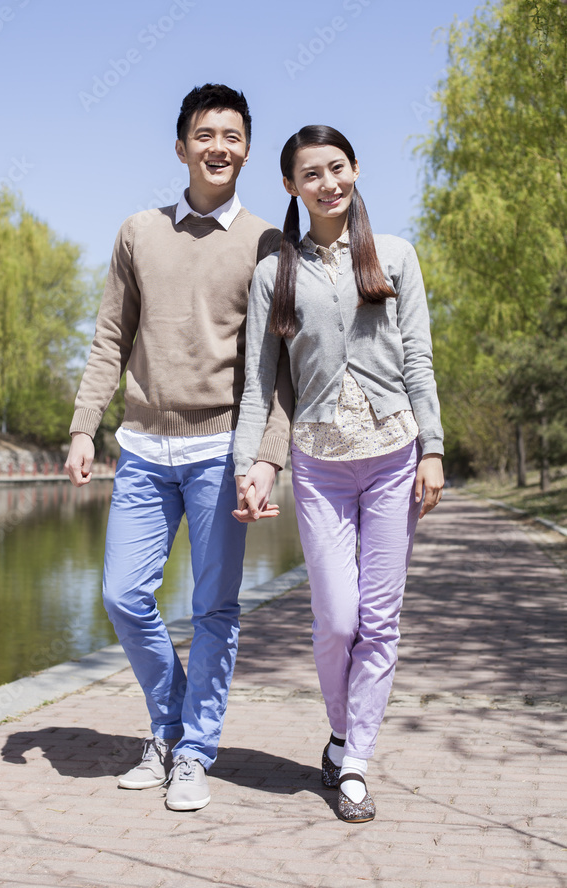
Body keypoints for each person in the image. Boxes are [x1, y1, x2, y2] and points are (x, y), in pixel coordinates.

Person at [64, 84, 292, 811]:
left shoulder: (267, 243)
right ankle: (170, 725)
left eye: (231, 135)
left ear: (246, 148)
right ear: (180, 146)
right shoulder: (138, 231)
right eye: (204, 134)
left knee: (215, 609)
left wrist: (268, 455)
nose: (217, 147)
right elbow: (109, 338)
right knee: (122, 594)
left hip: (221, 450)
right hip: (142, 446)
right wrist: (81, 426)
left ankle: (191, 750)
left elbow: (280, 369)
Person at [233, 125, 444, 823]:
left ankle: (354, 761)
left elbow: (417, 359)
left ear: (354, 169)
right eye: (310, 175)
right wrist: (252, 466)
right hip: (318, 466)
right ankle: (339, 730)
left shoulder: (396, 256)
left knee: (379, 621)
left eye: (336, 168)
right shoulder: (275, 272)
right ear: (291, 187)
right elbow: (259, 382)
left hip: (391, 457)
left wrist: (432, 448)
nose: (327, 184)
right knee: (335, 618)